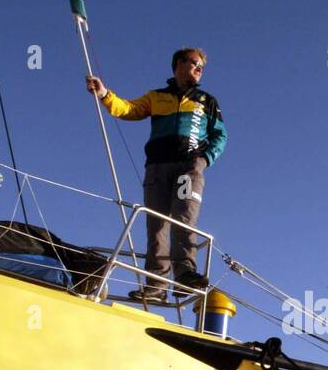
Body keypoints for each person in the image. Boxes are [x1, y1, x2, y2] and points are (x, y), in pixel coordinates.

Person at [86, 47, 227, 301]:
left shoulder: (207, 101)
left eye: (202, 67)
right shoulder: (156, 97)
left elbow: (220, 135)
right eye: (194, 63)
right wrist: (105, 94)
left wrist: (204, 160)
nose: (198, 69)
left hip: (188, 167)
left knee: (184, 217)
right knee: (156, 224)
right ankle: (156, 286)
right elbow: (128, 110)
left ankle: (185, 275)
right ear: (178, 65)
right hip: (157, 167)